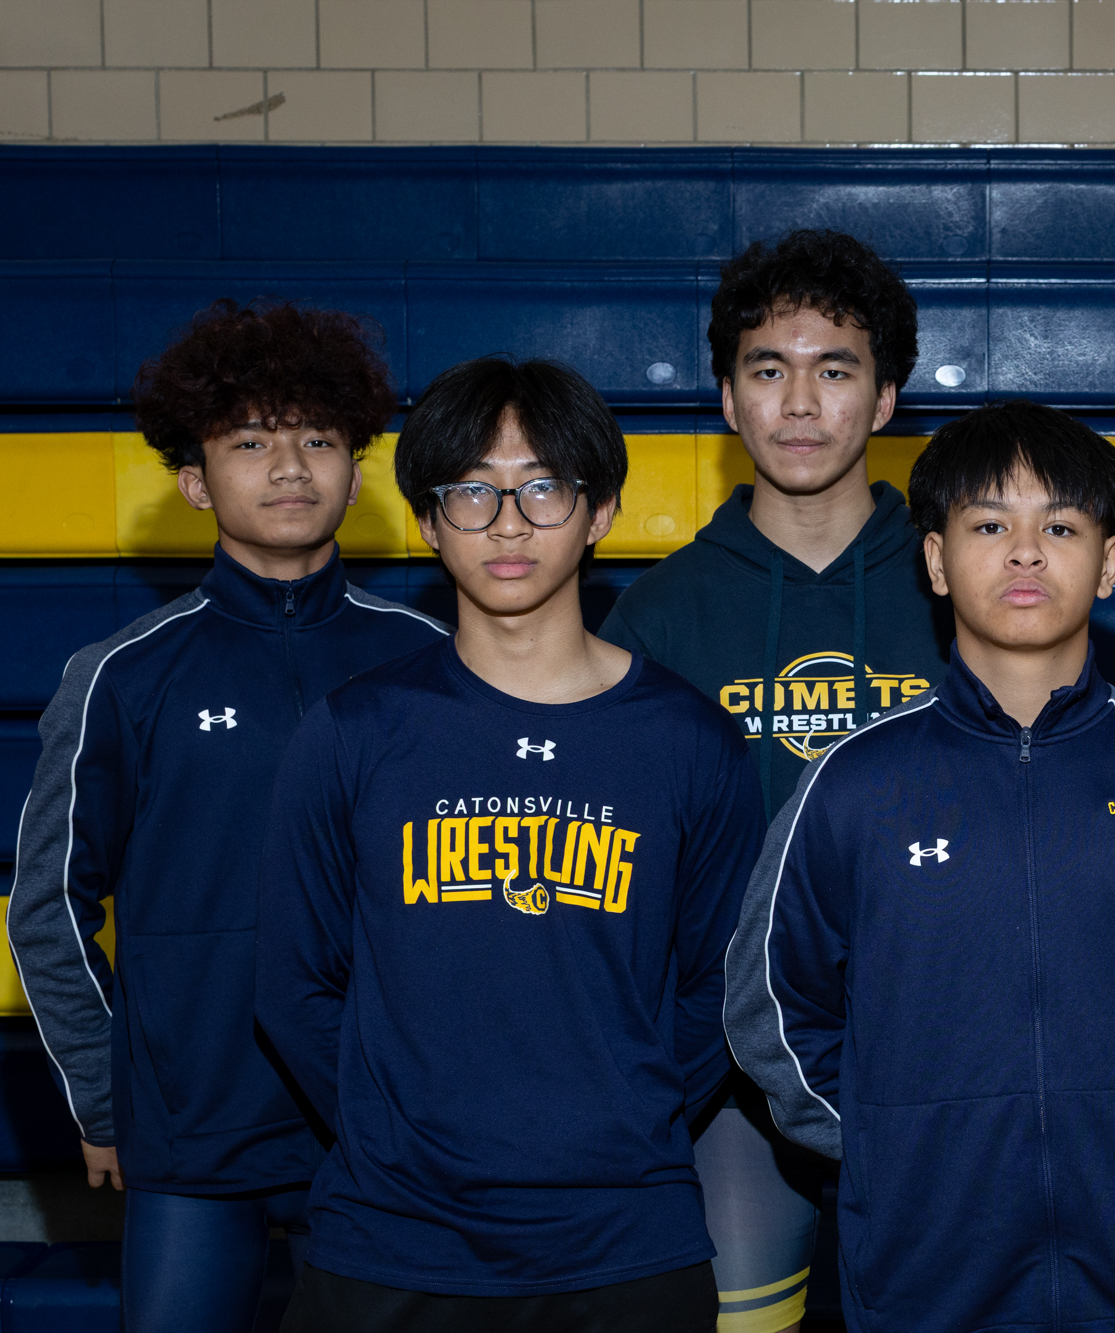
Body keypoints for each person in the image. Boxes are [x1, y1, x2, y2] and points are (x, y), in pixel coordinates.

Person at [725, 399, 1115, 1333]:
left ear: (1111, 563)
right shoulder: (852, 784)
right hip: (927, 1283)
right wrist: (892, 1144)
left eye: (1062, 526)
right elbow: (771, 1001)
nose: (1026, 552)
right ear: (933, 558)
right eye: (990, 524)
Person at [255, 357, 764, 1329]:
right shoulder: (354, 732)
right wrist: (397, 1125)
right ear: (425, 520)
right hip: (392, 1239)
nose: (507, 522)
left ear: (599, 509)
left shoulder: (688, 741)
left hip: (624, 1242)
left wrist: (624, 1112)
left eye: (540, 487)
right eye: (472, 492)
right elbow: (294, 984)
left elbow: (720, 990)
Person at [6, 299, 444, 1333]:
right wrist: (107, 1096)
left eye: (317, 439)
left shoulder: (428, 659)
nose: (289, 465)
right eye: (252, 440)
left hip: (380, 1125)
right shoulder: (121, 676)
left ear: (354, 466)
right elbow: (49, 907)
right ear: (196, 479)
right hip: (193, 1130)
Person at [597, 228, 947, 1332]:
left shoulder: (967, 580)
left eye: (834, 369)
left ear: (884, 398)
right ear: (727, 397)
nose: (800, 402)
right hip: (731, 1065)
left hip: (931, 1042)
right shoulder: (655, 612)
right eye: (768, 369)